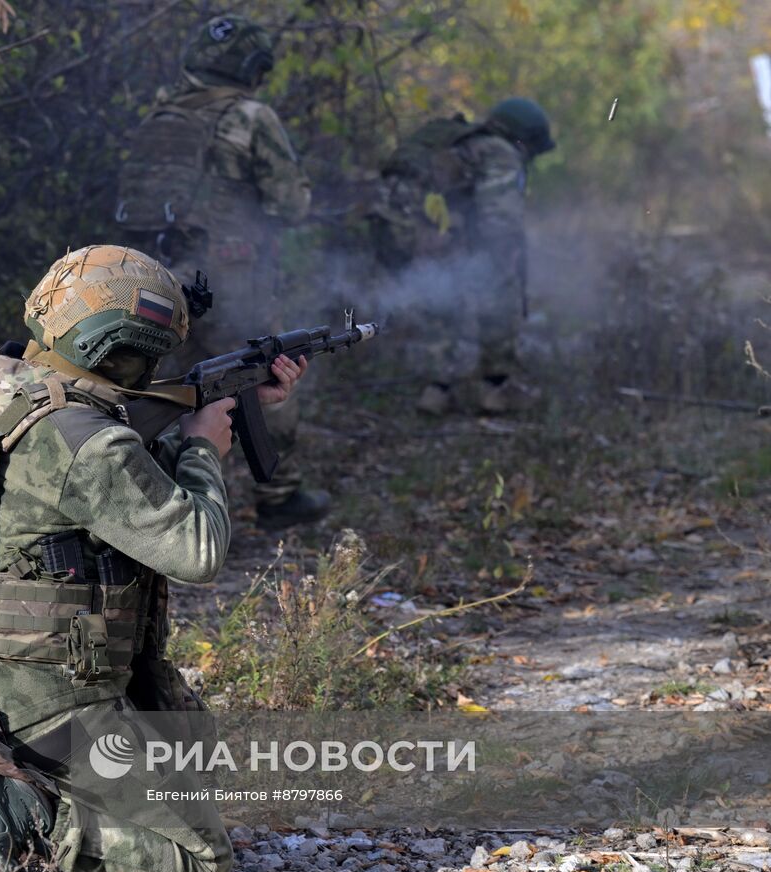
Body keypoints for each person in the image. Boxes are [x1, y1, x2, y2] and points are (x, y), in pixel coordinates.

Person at [0, 246, 308, 872]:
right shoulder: (87, 439)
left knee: (192, 762)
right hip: (37, 709)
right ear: (133, 346)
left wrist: (247, 407)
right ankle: (25, 807)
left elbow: (93, 501)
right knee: (197, 857)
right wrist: (201, 450)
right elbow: (196, 549)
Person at [113, 13, 326, 525]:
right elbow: (290, 204)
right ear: (253, 67)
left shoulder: (158, 114)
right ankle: (279, 496)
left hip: (152, 272)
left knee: (157, 383)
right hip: (228, 272)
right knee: (266, 369)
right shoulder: (249, 116)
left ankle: (140, 493)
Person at [369, 97, 556, 415]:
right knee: (499, 282)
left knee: (443, 292)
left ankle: (437, 391)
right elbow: (499, 223)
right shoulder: (500, 152)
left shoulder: (460, 144)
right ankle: (496, 388)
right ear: (523, 138)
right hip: (424, 228)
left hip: (389, 225)